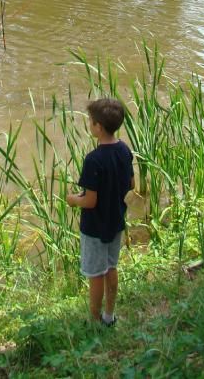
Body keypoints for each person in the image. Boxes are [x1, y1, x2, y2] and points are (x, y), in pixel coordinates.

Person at [66, 97, 134, 327]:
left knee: (95, 274)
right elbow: (132, 184)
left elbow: (90, 201)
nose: (89, 124)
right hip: (116, 221)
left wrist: (73, 199)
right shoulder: (124, 150)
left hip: (95, 227)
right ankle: (109, 315)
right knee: (111, 268)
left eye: (90, 121)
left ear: (98, 127)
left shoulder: (93, 160)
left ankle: (94, 320)